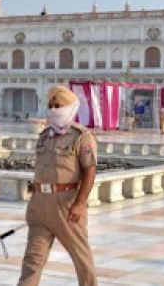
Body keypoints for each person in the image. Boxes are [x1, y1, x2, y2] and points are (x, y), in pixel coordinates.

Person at [19, 86, 97, 286]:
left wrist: (80, 203)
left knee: (81, 258)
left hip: (67, 205)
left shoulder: (81, 136)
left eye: (58, 106)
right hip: (40, 204)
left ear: (70, 107)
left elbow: (90, 170)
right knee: (32, 260)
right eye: (51, 106)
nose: (53, 110)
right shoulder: (45, 135)